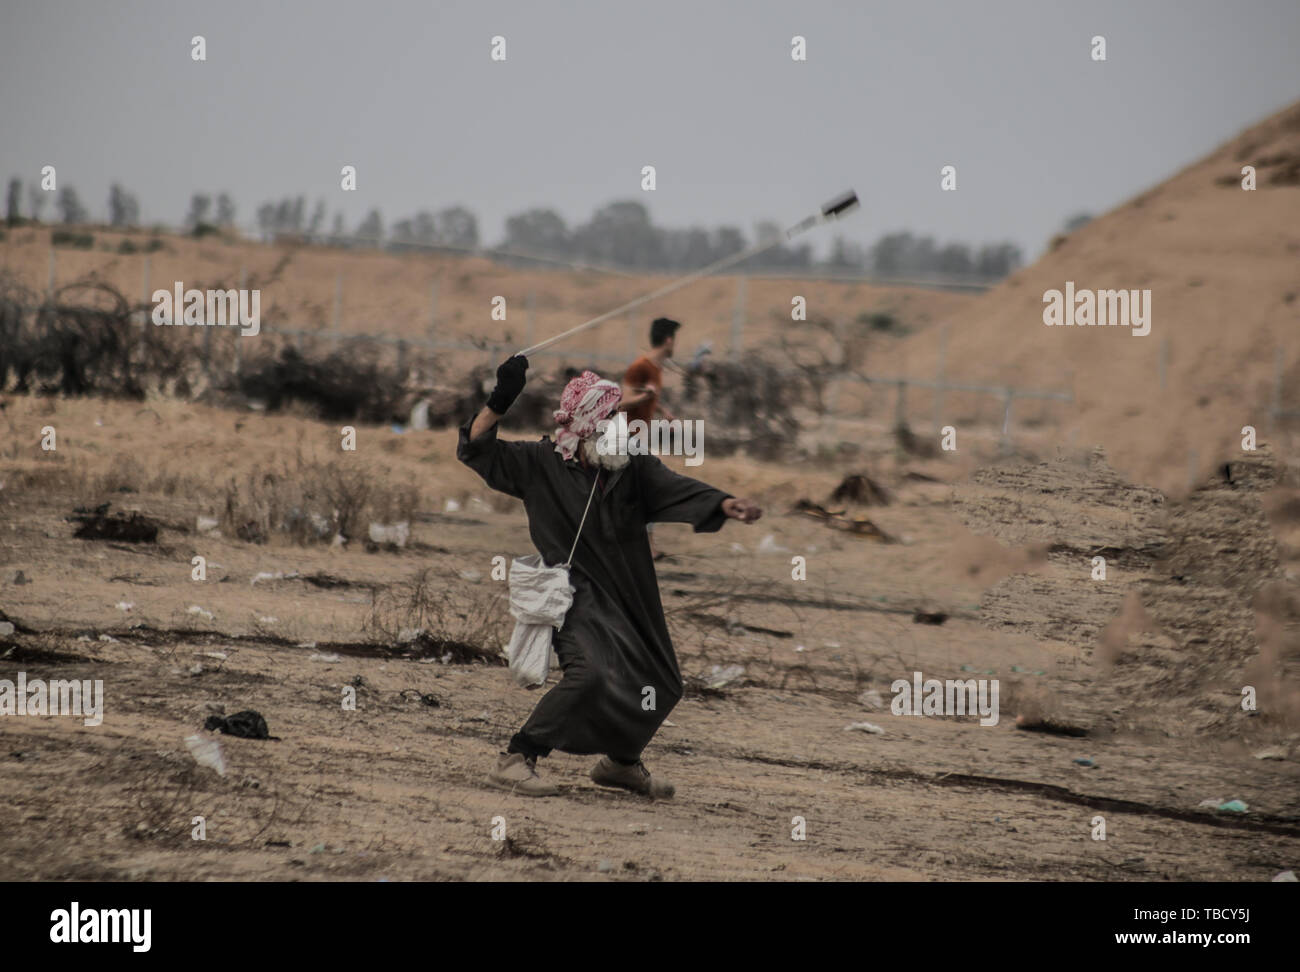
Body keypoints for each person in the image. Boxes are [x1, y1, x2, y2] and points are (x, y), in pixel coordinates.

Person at [457, 355, 762, 798]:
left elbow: (675, 487)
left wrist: (724, 503)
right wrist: (500, 401)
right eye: (608, 419)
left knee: (663, 680)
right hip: (577, 596)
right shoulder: (538, 463)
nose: (618, 427)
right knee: (591, 675)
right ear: (583, 423)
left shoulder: (631, 466)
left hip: (632, 593)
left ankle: (620, 763)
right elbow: (478, 450)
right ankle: (517, 756)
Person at [621, 316, 680, 560]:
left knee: (642, 492)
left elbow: (647, 397)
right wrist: (645, 398)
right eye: (674, 339)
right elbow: (622, 402)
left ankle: (648, 546)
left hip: (640, 439)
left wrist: (661, 410)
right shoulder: (640, 367)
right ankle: (645, 547)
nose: (675, 344)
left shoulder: (655, 369)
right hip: (627, 439)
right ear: (668, 340)